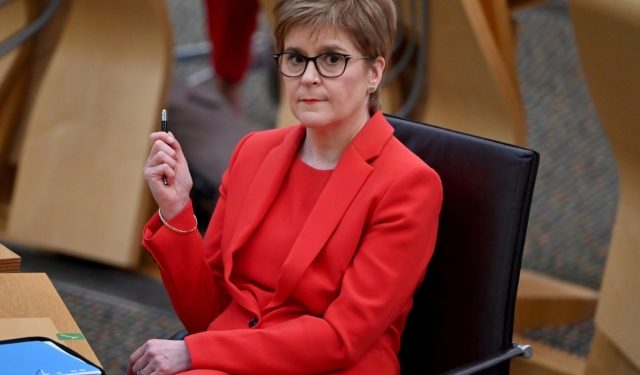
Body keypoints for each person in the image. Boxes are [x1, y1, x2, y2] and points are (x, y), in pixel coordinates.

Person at [128, 0, 442, 374]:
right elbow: (210, 313)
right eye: (295, 58)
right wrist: (177, 211)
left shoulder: (409, 185)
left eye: (331, 59)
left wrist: (197, 353)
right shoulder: (254, 152)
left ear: (374, 72)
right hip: (236, 356)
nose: (308, 77)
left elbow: (341, 338)